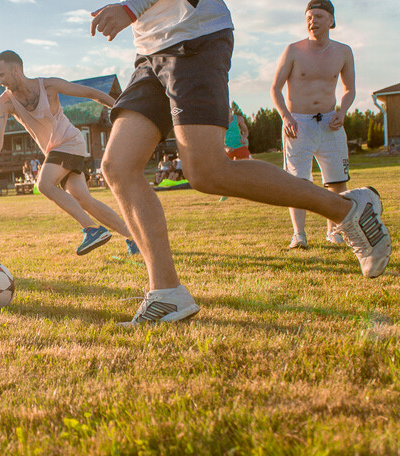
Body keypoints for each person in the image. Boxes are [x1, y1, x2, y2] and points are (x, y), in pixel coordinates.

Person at [90, 0, 390, 325]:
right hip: (149, 50)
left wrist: (131, 8)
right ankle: (166, 293)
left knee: (207, 172)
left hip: (193, 37)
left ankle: (348, 211)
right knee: (117, 165)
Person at [0, 50, 139, 256]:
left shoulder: (49, 86)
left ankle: (92, 229)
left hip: (70, 141)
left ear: (16, 69)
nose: (0, 81)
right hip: (54, 150)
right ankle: (134, 238)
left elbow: (91, 93)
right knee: (83, 199)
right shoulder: (4, 102)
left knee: (44, 184)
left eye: (1, 74)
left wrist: (121, 110)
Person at [271, 0, 355, 249]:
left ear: (331, 20)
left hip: (331, 122)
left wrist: (343, 111)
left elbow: (349, 89)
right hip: (298, 124)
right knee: (298, 182)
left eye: (318, 16)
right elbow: (275, 88)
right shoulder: (293, 50)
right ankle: (299, 234)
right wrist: (286, 116)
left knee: (337, 180)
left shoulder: (343, 51)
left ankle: (334, 231)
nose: (312, 21)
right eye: (309, 16)